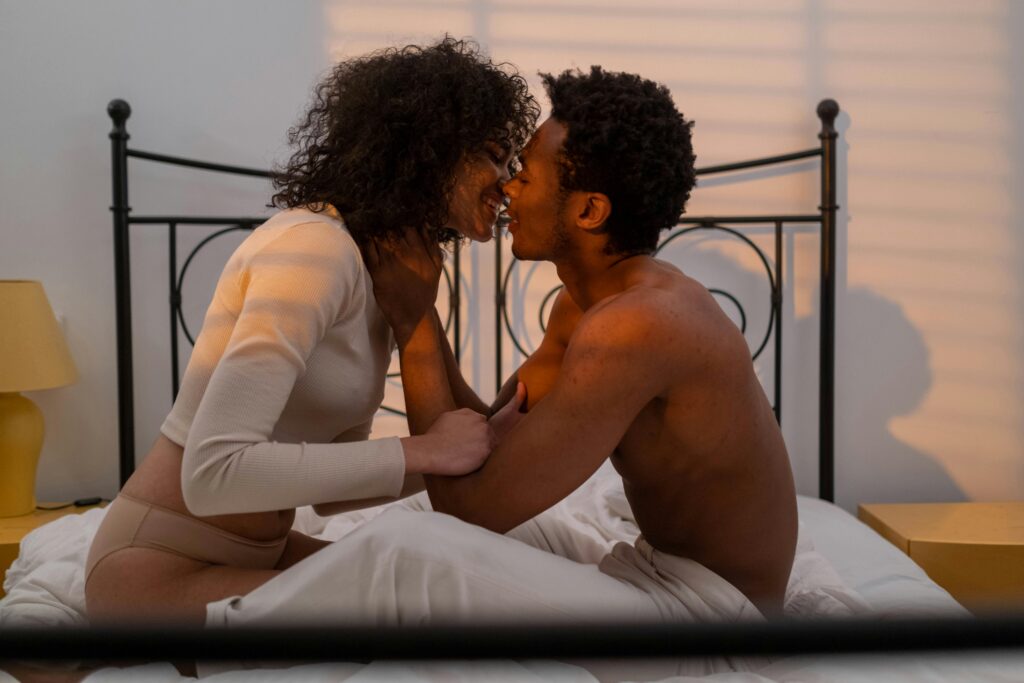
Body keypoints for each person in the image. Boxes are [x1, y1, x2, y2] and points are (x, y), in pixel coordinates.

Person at [84, 36, 539, 626]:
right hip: (155, 570)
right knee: (428, 608)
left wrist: (465, 447)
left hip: (257, 553)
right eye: (493, 155)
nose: (507, 181)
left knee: (455, 589)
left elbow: (333, 492)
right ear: (426, 150)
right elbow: (212, 476)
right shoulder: (313, 250)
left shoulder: (382, 273)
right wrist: (426, 450)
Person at [345, 65, 799, 621]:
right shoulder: (585, 308)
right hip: (651, 567)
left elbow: (469, 510)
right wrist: (419, 297)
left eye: (526, 176)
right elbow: (486, 438)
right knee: (407, 524)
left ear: (588, 210)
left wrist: (413, 323)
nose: (506, 187)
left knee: (416, 549)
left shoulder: (639, 326)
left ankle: (225, 636)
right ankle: (255, 604)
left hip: (711, 618)